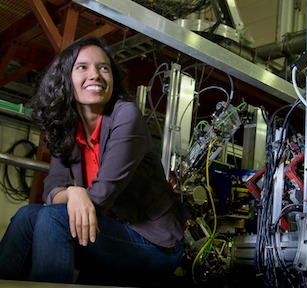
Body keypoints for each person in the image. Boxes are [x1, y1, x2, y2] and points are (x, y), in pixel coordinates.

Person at [0, 36, 188, 286]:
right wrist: (73, 193)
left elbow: (100, 197)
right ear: (66, 78)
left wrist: (72, 193)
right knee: (26, 216)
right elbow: (51, 190)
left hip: (154, 243)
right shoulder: (66, 125)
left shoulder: (125, 115)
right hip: (104, 231)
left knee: (53, 218)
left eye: (104, 68)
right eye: (82, 67)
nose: (95, 75)